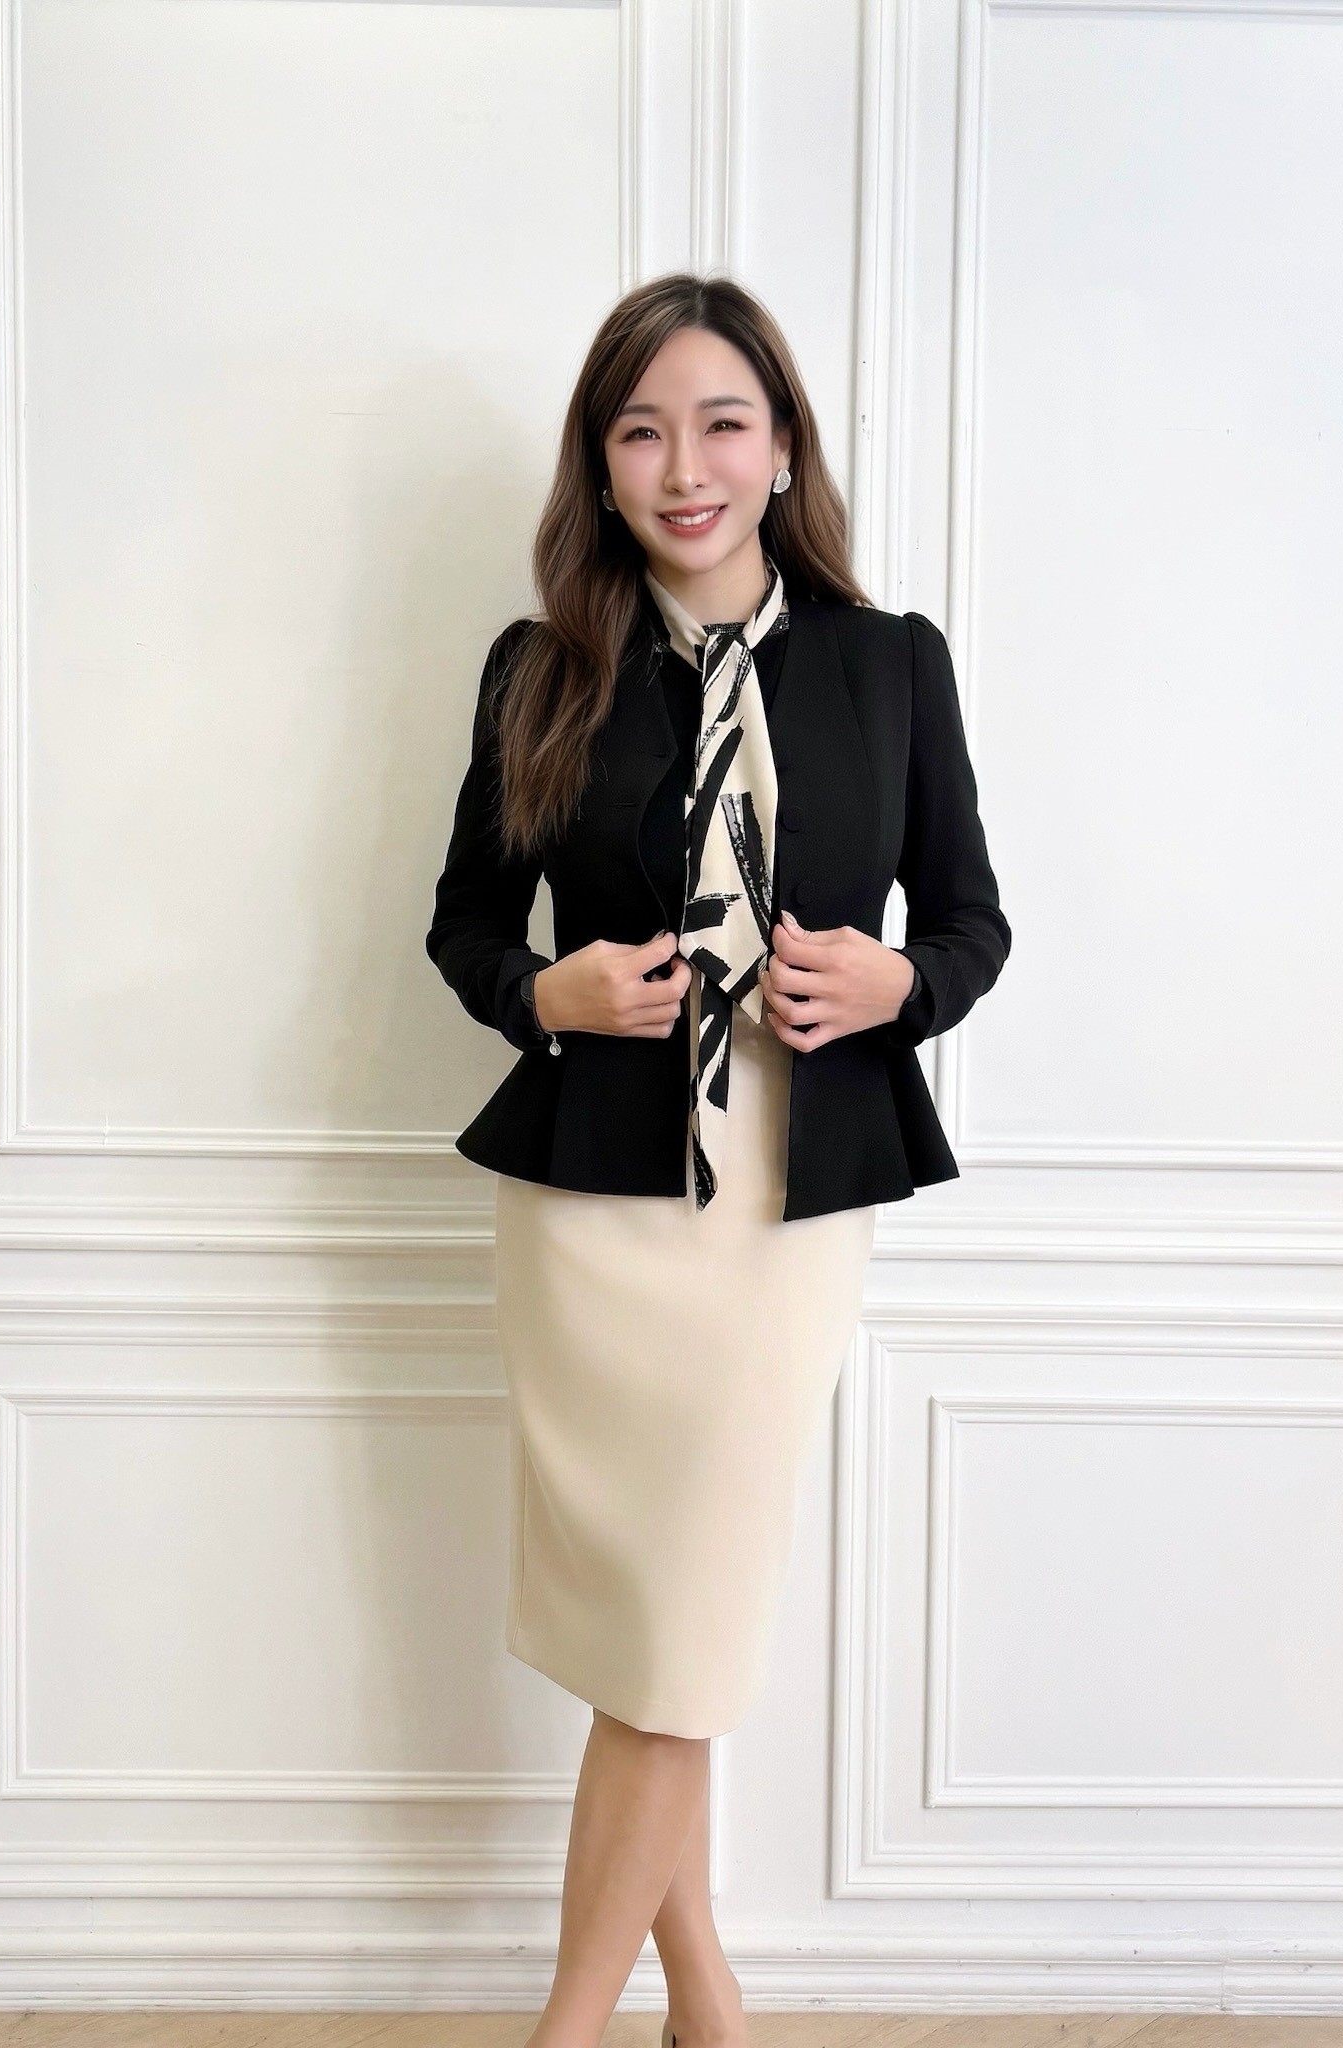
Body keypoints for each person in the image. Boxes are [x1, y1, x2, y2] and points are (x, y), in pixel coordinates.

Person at [425, 271, 1010, 2048]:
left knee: (678, 1636)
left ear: (781, 450)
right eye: (641, 432)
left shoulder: (890, 663)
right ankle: (704, 1998)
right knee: (651, 1643)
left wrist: (904, 984)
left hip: (782, 1203)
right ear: (601, 468)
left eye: (720, 424)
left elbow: (973, 922)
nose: (683, 467)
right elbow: (465, 927)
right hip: (591, 1212)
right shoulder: (540, 670)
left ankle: (564, 2030)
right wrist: (549, 993)